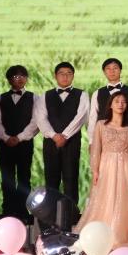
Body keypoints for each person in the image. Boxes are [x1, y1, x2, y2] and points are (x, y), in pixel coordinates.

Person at [76, 91, 128, 248]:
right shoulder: (101, 125)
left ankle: (121, 234)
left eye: (124, 102)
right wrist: (95, 170)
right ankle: (100, 234)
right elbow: (96, 149)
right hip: (106, 165)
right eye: (117, 101)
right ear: (110, 104)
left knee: (124, 198)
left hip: (125, 165)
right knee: (104, 196)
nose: (120, 104)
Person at [35, 61, 90, 206]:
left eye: (69, 74)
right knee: (51, 179)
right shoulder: (45, 95)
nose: (65, 77)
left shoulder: (82, 95)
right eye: (61, 74)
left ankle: (71, 213)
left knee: (71, 178)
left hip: (72, 142)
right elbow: (40, 118)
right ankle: (50, 212)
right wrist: (54, 135)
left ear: (73, 76)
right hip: (50, 142)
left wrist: (65, 135)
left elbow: (81, 117)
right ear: (55, 76)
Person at [0, 65, 39, 220]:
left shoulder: (34, 98)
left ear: (27, 79)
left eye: (23, 76)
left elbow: (35, 122)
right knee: (7, 178)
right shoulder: (0, 98)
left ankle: (23, 212)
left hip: (25, 144)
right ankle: (8, 212)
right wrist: (6, 138)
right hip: (5, 145)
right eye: (16, 76)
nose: (20, 79)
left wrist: (19, 137)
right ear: (9, 79)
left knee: (24, 178)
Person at [88, 58, 128, 147]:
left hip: (125, 136)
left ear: (120, 70)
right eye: (108, 68)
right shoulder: (97, 93)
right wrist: (91, 141)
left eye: (115, 68)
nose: (112, 71)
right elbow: (93, 118)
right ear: (104, 72)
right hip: (103, 137)